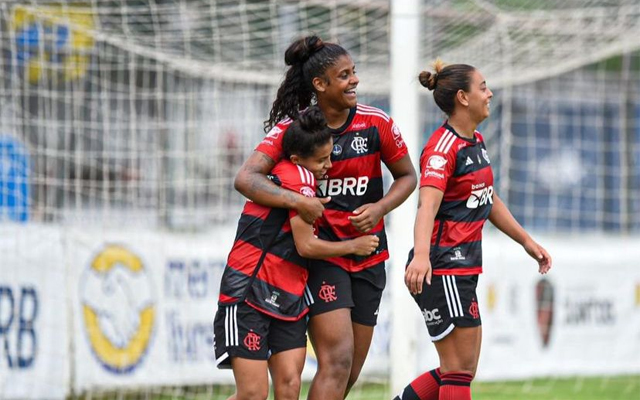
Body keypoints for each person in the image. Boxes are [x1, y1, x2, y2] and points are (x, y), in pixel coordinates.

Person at [234, 35, 417, 400]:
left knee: (347, 372)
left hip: (368, 256)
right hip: (321, 257)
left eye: (354, 73)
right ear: (320, 84)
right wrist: (299, 203)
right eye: (344, 75)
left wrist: (380, 208)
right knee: (336, 360)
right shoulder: (295, 129)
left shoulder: (376, 123)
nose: (355, 81)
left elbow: (408, 176)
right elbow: (245, 178)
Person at [397, 60, 552, 400]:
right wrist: (421, 256)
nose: (490, 93)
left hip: (462, 267)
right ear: (463, 98)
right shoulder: (442, 150)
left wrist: (525, 241)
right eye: (483, 87)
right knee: (459, 370)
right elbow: (427, 207)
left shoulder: (475, 141)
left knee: (460, 368)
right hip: (442, 267)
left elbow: (488, 197)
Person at [214, 107, 380, 400]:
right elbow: (307, 246)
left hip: (288, 297)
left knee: (290, 388)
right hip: (250, 291)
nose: (329, 165)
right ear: (296, 158)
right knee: (252, 394)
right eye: (322, 159)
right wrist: (354, 246)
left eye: (330, 156)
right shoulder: (298, 179)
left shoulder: (305, 178)